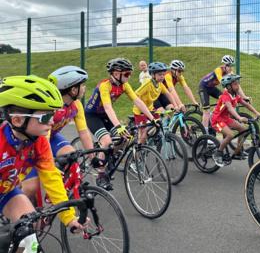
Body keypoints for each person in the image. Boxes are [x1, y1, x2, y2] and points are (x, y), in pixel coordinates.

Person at [0, 75, 85, 250]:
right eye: (46, 117)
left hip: (6, 191)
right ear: (17, 120)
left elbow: (52, 177)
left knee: (28, 237)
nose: (53, 121)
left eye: (53, 114)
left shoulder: (39, 142)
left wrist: (69, 218)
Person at [21, 66, 95, 203]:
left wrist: (93, 157)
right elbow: (44, 138)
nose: (84, 88)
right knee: (31, 187)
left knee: (72, 155)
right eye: (82, 85)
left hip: (52, 136)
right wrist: (50, 165)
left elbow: (83, 132)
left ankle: (58, 192)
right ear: (73, 90)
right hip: (34, 140)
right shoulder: (53, 107)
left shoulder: (76, 105)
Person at [84, 58, 157, 190]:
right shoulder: (104, 85)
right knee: (106, 142)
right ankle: (101, 175)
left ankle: (109, 156)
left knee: (126, 138)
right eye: (127, 74)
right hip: (92, 115)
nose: (129, 77)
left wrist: (152, 119)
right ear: (116, 74)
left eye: (130, 74)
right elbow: (107, 107)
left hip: (105, 115)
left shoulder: (124, 85)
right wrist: (118, 126)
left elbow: (138, 101)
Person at [211, 75, 260, 167]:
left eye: (238, 83)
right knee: (230, 135)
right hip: (217, 120)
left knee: (242, 129)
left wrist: (256, 112)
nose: (238, 86)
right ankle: (218, 153)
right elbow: (230, 109)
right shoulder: (225, 96)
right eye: (235, 84)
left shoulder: (235, 96)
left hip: (226, 119)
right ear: (228, 86)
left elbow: (246, 104)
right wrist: (239, 118)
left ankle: (238, 151)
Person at [198, 55, 249, 134]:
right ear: (224, 65)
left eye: (231, 66)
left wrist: (244, 96)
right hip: (203, 87)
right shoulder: (218, 70)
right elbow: (224, 85)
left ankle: (214, 115)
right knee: (206, 111)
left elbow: (236, 86)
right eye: (228, 66)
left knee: (224, 100)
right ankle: (205, 134)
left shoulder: (230, 73)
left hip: (211, 88)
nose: (230, 68)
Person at [133, 62, 176, 144]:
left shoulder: (160, 84)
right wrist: (140, 105)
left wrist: (176, 106)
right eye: (160, 75)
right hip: (140, 111)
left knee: (159, 124)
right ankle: (138, 152)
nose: (162, 77)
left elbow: (168, 94)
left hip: (150, 109)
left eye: (163, 74)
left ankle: (148, 139)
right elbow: (135, 95)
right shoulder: (147, 84)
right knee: (143, 134)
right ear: (152, 75)